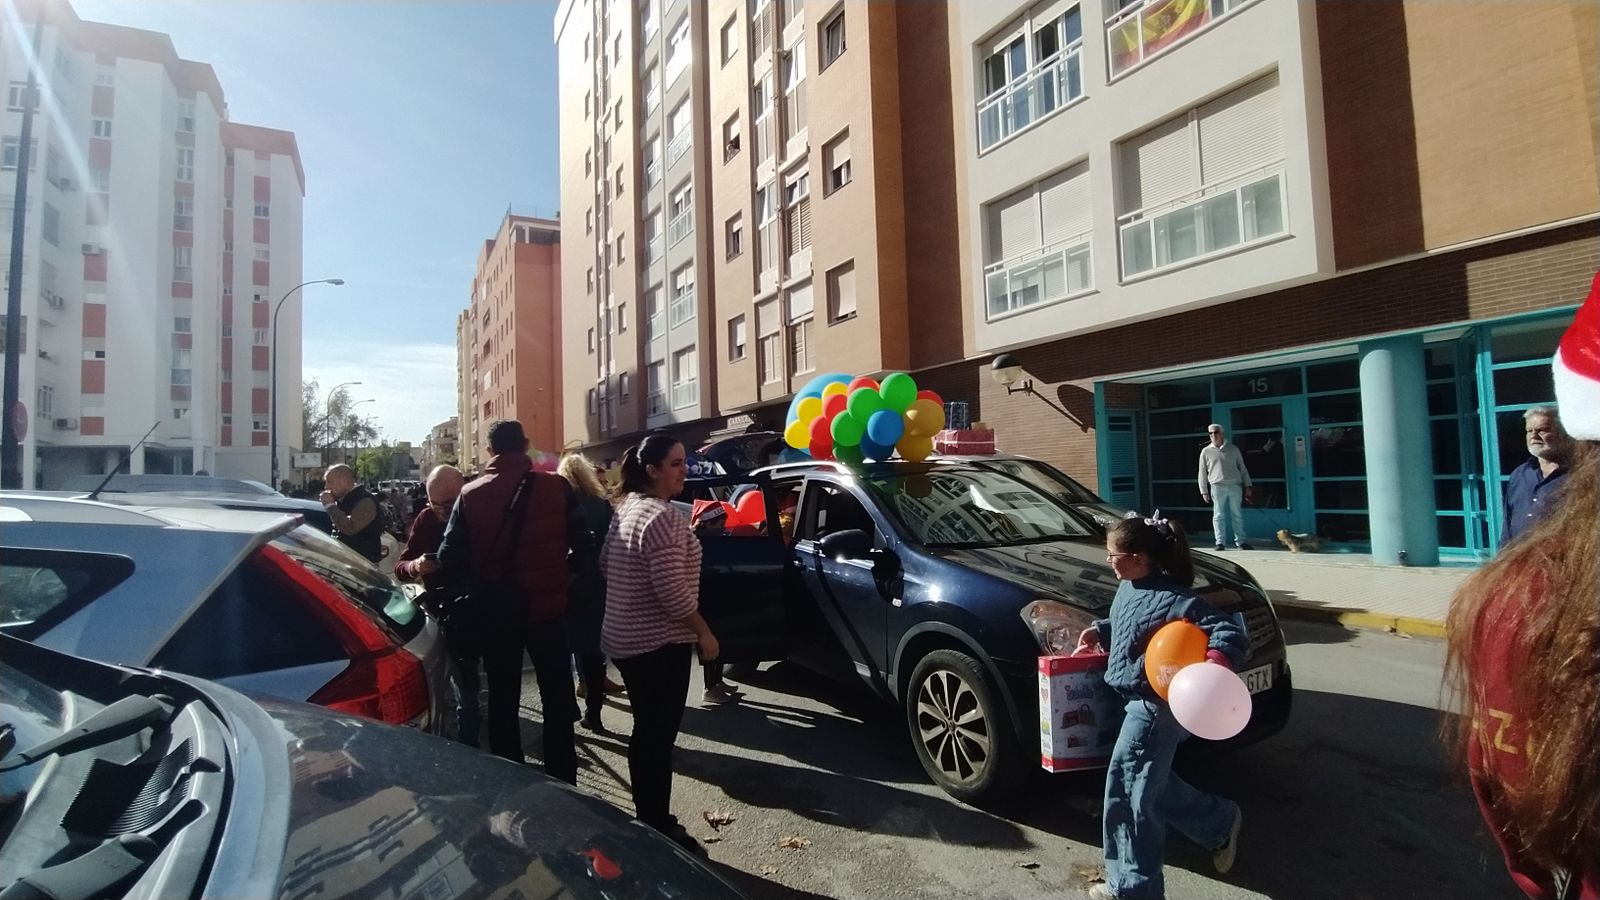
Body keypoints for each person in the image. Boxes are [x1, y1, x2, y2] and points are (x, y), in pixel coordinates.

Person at [1445, 273, 1599, 899]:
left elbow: (1505, 789)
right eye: (1532, 431)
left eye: (1547, 430)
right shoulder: (1516, 484)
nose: (1539, 437)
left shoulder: (1568, 515)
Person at [1077, 514, 1249, 900]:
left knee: (1129, 795)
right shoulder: (1131, 585)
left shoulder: (1176, 599)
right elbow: (1131, 623)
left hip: (1155, 710)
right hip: (1133, 701)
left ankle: (1134, 889)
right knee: (1148, 783)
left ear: (1138, 557)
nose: (1108, 561)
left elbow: (1229, 632)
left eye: (1112, 555)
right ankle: (1218, 823)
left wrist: (1212, 667)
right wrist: (1101, 630)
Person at [437, 420, 587, 782]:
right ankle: (564, 778)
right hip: (549, 611)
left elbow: (448, 559)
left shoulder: (470, 495)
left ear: (490, 452)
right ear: (526, 445)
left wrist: (480, 586)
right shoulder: (557, 486)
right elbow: (585, 546)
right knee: (556, 695)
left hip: (497, 614)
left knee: (503, 699)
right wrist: (561, 581)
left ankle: (512, 778)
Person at [600, 432, 721, 854]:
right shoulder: (662, 517)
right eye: (675, 464)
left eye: (684, 462)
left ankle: (649, 814)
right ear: (651, 470)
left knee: (645, 733)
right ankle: (657, 823)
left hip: (625, 640)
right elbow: (673, 594)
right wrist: (704, 631)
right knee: (655, 738)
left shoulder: (627, 508)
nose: (683, 471)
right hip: (655, 644)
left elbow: (605, 565)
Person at [394, 464, 480, 746]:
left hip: (482, 605)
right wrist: (417, 565)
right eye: (435, 503)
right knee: (464, 690)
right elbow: (400, 566)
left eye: (449, 503)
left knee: (481, 689)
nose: (442, 510)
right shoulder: (426, 519)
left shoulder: (478, 513)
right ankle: (470, 749)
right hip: (445, 611)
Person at [556, 451, 624, 731]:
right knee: (594, 650)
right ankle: (593, 712)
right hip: (595, 584)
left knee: (565, 647)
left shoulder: (557, 505)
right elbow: (613, 544)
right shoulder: (600, 504)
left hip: (566, 584)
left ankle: (568, 710)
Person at [1500, 405, 1571, 546]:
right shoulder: (1519, 475)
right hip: (1521, 563)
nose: (1534, 436)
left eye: (1542, 430)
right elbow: (1508, 526)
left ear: (1562, 433)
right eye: (1529, 431)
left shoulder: (1578, 475)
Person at [1197, 424, 1253, 551]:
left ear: (1221, 433)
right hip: (1217, 486)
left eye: (1215, 432)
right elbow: (1202, 472)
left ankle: (1240, 541)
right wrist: (1204, 491)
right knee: (1218, 515)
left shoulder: (1233, 449)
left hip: (1234, 485)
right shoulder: (1206, 451)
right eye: (1210, 433)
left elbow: (1242, 468)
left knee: (1236, 514)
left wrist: (1248, 485)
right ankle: (1220, 542)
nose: (1213, 435)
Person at [320, 464, 385, 564]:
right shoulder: (347, 499)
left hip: (363, 563)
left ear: (344, 480)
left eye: (329, 482)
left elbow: (350, 528)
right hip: (351, 560)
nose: (326, 487)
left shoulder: (365, 500)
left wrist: (330, 505)